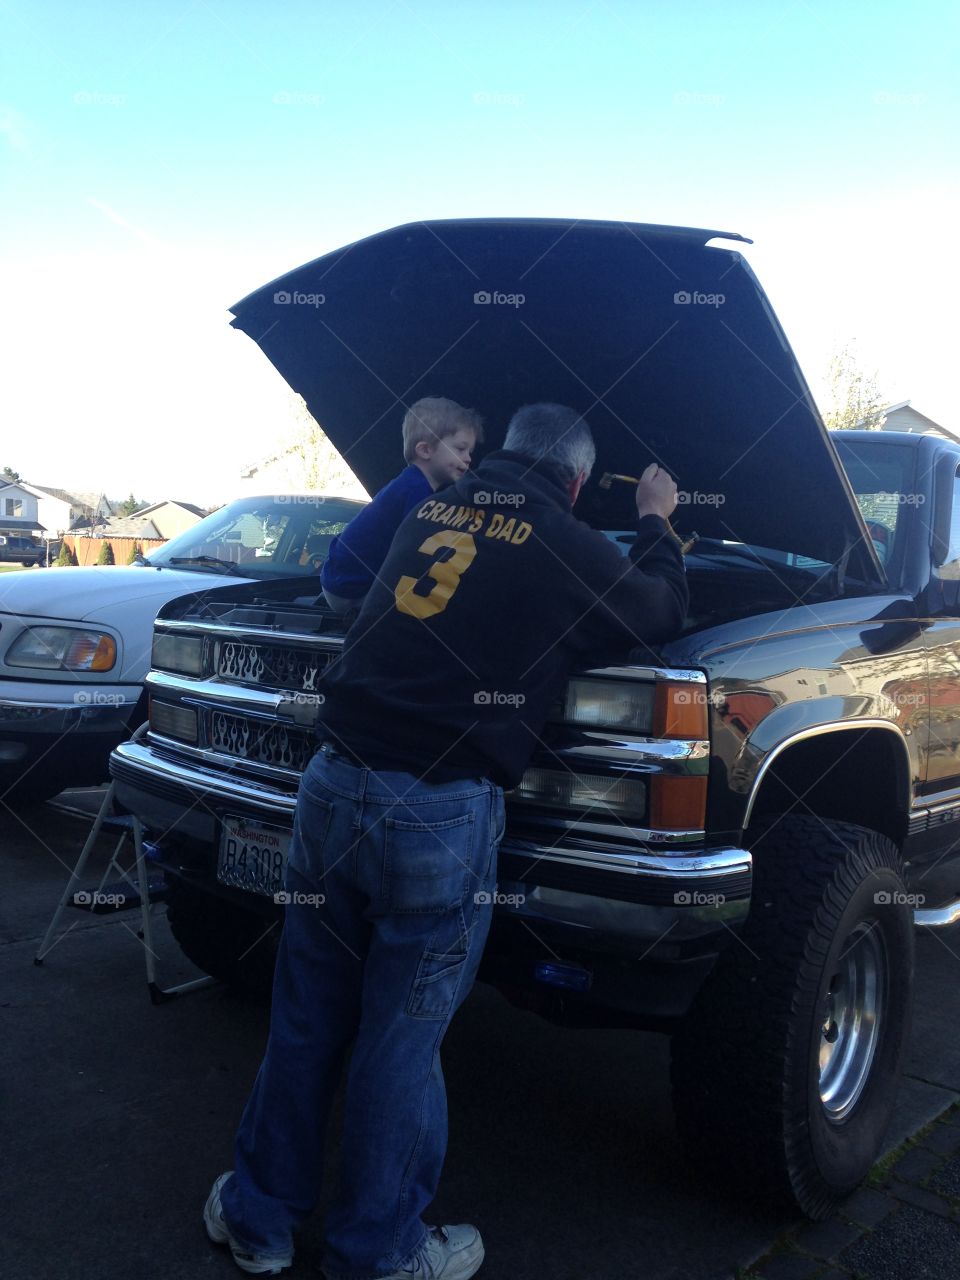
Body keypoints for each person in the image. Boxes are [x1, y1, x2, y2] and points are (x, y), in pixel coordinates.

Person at [203, 403, 689, 1280]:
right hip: (436, 810)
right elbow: (656, 611)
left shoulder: (429, 505)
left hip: (331, 783)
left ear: (500, 453)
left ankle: (258, 1219)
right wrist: (657, 521)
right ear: (576, 481)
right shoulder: (563, 537)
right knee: (402, 1039)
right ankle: (380, 1250)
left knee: (307, 1015)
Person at [321, 396, 483, 613]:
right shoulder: (415, 492)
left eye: (469, 452)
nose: (468, 458)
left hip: (337, 581)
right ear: (425, 450)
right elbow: (417, 555)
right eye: (461, 448)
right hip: (352, 590)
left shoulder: (408, 485)